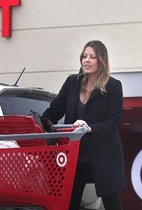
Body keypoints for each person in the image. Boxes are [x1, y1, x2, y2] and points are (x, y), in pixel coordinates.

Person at [41, 40, 126, 210]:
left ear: (101, 60)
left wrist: (89, 128)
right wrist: (38, 124)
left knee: (112, 205)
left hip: (104, 155)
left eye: (92, 57)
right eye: (84, 56)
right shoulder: (72, 83)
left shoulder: (113, 86)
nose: (86, 60)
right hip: (75, 153)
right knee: (68, 203)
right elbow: (54, 111)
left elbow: (113, 122)